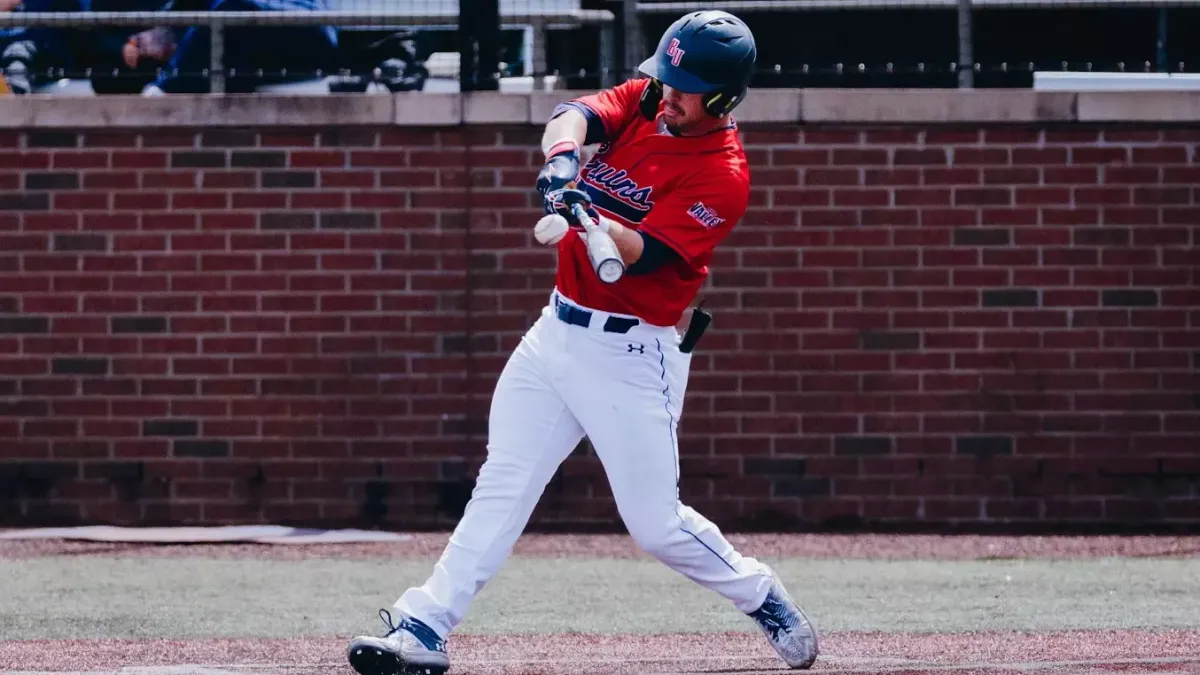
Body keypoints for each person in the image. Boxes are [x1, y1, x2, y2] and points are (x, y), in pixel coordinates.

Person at [346, 10, 819, 675]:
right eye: (669, 77)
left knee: (655, 526)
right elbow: (575, 114)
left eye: (688, 87)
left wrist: (590, 214)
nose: (669, 94)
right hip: (556, 333)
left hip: (632, 352)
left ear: (723, 96)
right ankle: (425, 624)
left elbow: (638, 253)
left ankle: (760, 592)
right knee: (503, 482)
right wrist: (562, 162)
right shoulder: (651, 99)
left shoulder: (723, 173)